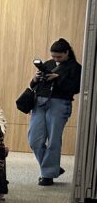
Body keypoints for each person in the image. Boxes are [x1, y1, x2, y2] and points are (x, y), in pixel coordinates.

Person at [29, 38, 82, 185]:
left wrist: (57, 79)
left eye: (59, 56)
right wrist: (35, 79)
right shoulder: (48, 64)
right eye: (53, 56)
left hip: (60, 103)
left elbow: (75, 88)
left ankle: (47, 175)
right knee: (34, 140)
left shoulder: (75, 67)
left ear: (67, 53)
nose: (56, 59)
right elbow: (34, 85)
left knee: (53, 140)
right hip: (39, 102)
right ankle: (53, 168)